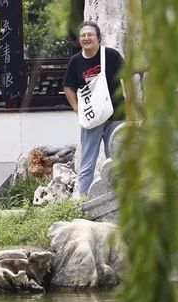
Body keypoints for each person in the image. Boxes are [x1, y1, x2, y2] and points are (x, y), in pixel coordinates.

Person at [63, 21, 125, 196]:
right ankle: (82, 201)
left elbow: (126, 77)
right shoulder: (76, 61)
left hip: (117, 113)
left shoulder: (111, 55)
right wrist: (76, 107)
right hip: (91, 118)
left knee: (116, 159)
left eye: (90, 34)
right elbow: (68, 86)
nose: (86, 38)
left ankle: (118, 198)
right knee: (87, 162)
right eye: (83, 35)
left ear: (98, 38)